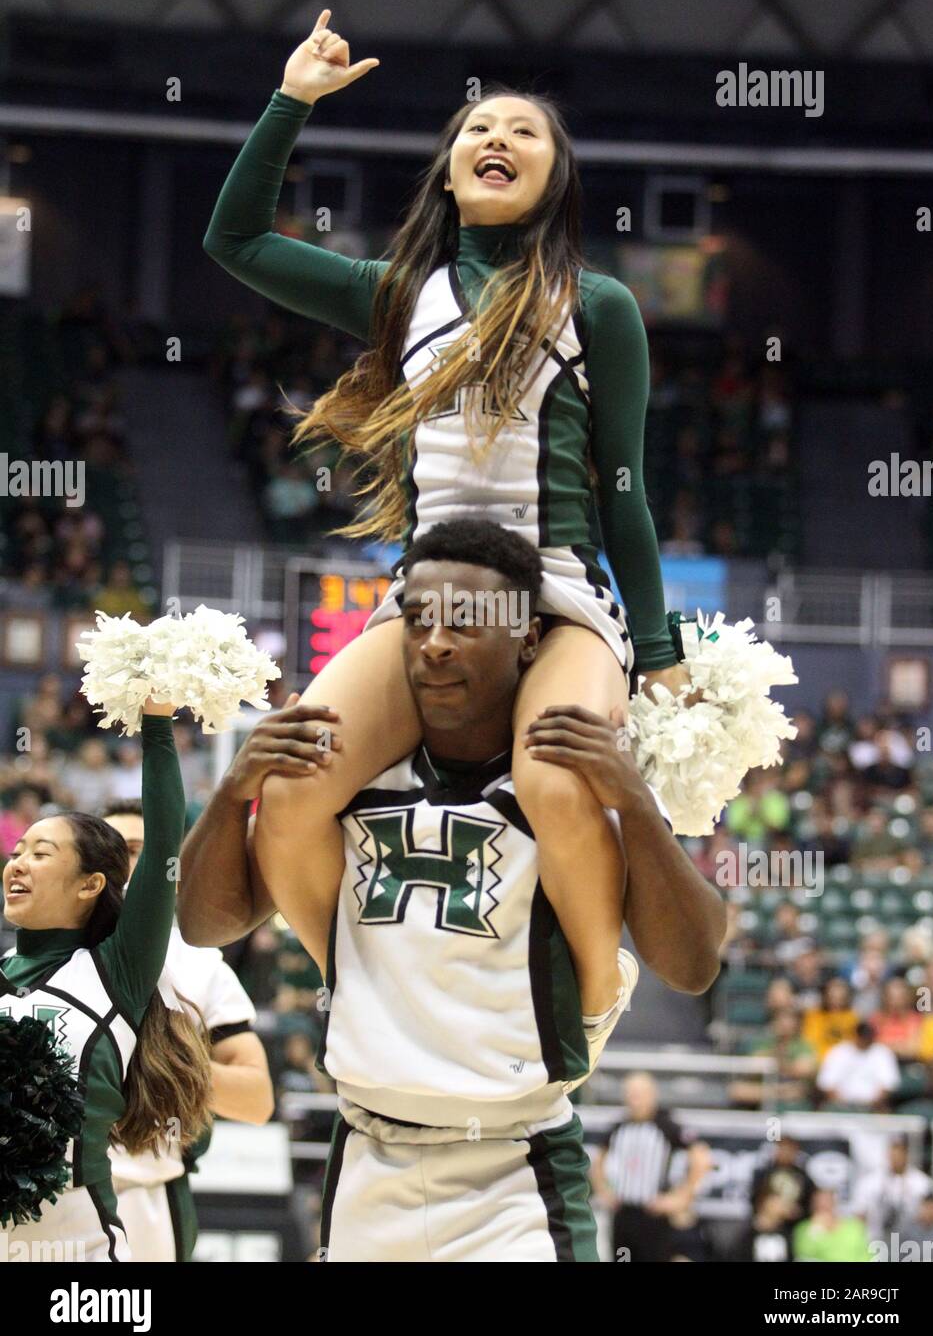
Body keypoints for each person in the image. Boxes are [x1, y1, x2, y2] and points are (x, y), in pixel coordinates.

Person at [203, 9, 691, 1033]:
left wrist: (660, 650)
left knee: (557, 783)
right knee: (290, 794)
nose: (496, 139)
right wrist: (291, 99)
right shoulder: (397, 295)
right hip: (425, 595)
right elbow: (234, 239)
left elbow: (623, 486)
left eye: (524, 132)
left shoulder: (594, 303)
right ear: (448, 170)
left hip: (555, 591)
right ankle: (365, 991)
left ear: (554, 177)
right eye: (477, 128)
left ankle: (589, 992)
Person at [178, 521, 725, 1262]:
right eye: (418, 622)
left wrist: (632, 801)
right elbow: (207, 924)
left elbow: (692, 965)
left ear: (528, 639)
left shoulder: (573, 780)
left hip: (514, 1165)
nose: (434, 643)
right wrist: (231, 792)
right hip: (367, 1151)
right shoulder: (342, 781)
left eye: (465, 623)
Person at [1, 701, 210, 1263]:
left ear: (90, 884)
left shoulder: (113, 971)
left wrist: (158, 722)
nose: (16, 864)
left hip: (76, 1247)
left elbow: (166, 840)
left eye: (40, 854)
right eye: (17, 851)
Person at [100, 799, 274, 1263]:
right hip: (42, 1187)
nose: (124, 863)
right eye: (109, 850)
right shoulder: (43, 957)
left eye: (138, 849)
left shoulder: (201, 964)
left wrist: (153, 1062)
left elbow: (257, 1099)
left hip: (145, 1191)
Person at [591, 1072, 712, 1263]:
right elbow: (597, 1160)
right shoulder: (619, 1126)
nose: (633, 1100)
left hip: (653, 1214)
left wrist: (682, 1197)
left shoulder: (666, 1124)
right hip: (623, 1213)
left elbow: (701, 1156)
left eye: (638, 1094)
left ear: (652, 1095)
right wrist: (603, 1191)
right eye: (629, 1094)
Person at [852, 1138, 933, 1243]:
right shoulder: (870, 1182)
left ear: (907, 1155)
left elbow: (931, 1218)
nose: (896, 1159)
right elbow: (859, 1214)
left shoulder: (922, 1183)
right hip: (877, 1241)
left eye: (900, 1154)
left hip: (912, 1243)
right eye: (893, 1154)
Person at [816, 1021, 899, 1112]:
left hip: (872, 1107)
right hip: (841, 1106)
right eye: (862, 1036)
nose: (865, 1039)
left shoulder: (882, 1052)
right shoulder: (839, 1051)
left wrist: (872, 1104)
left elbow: (888, 1084)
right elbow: (827, 1083)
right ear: (855, 1035)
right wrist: (841, 1105)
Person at [750, 1135, 816, 1240]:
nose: (785, 1153)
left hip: (794, 1228)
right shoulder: (764, 1174)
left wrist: (795, 1212)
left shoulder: (803, 1177)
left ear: (796, 1151)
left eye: (789, 1149)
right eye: (782, 1148)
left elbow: (811, 1204)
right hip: (766, 1225)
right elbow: (754, 1200)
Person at [792, 1189, 872, 1262]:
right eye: (819, 1205)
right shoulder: (804, 1229)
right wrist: (816, 1229)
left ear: (834, 1204)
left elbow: (865, 1255)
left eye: (827, 1203)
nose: (823, 1208)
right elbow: (803, 1254)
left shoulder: (853, 1227)